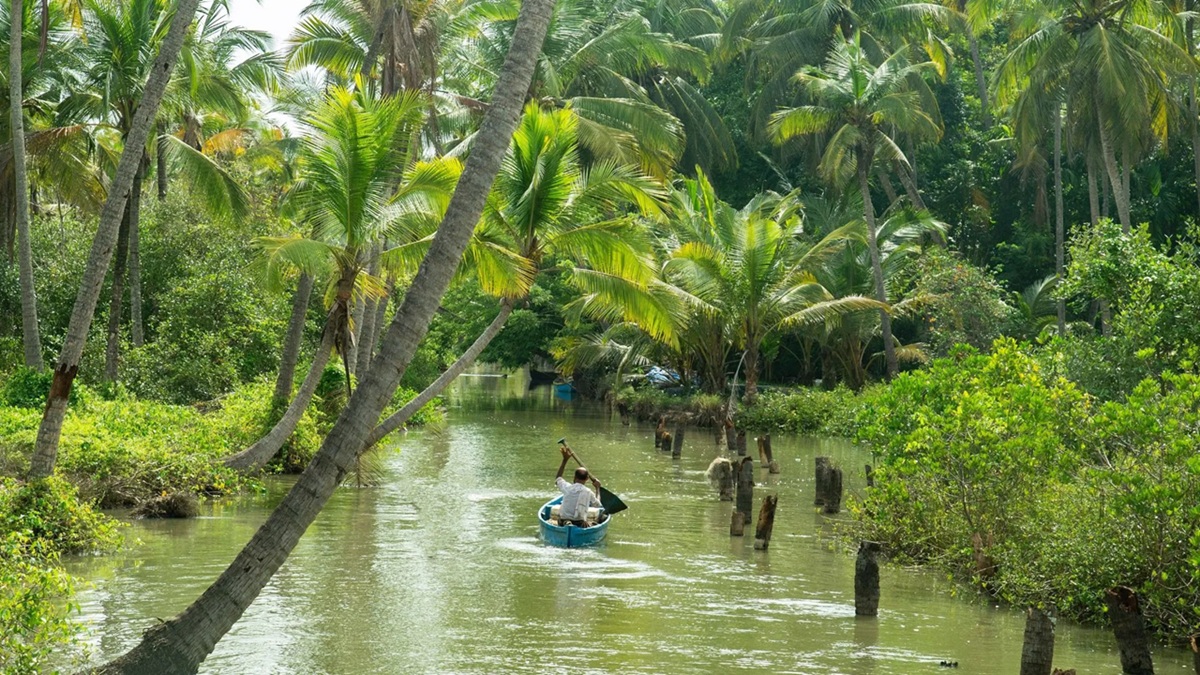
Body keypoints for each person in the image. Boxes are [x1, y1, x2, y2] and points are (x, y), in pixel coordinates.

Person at [555, 445, 602, 527]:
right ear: (587, 479)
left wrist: (565, 460)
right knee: (595, 522)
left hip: (563, 521)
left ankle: (567, 523)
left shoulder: (567, 487)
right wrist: (597, 488)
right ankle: (571, 523)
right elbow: (597, 504)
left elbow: (558, 478)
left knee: (563, 520)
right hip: (579, 522)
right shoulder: (588, 492)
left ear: (574, 477)